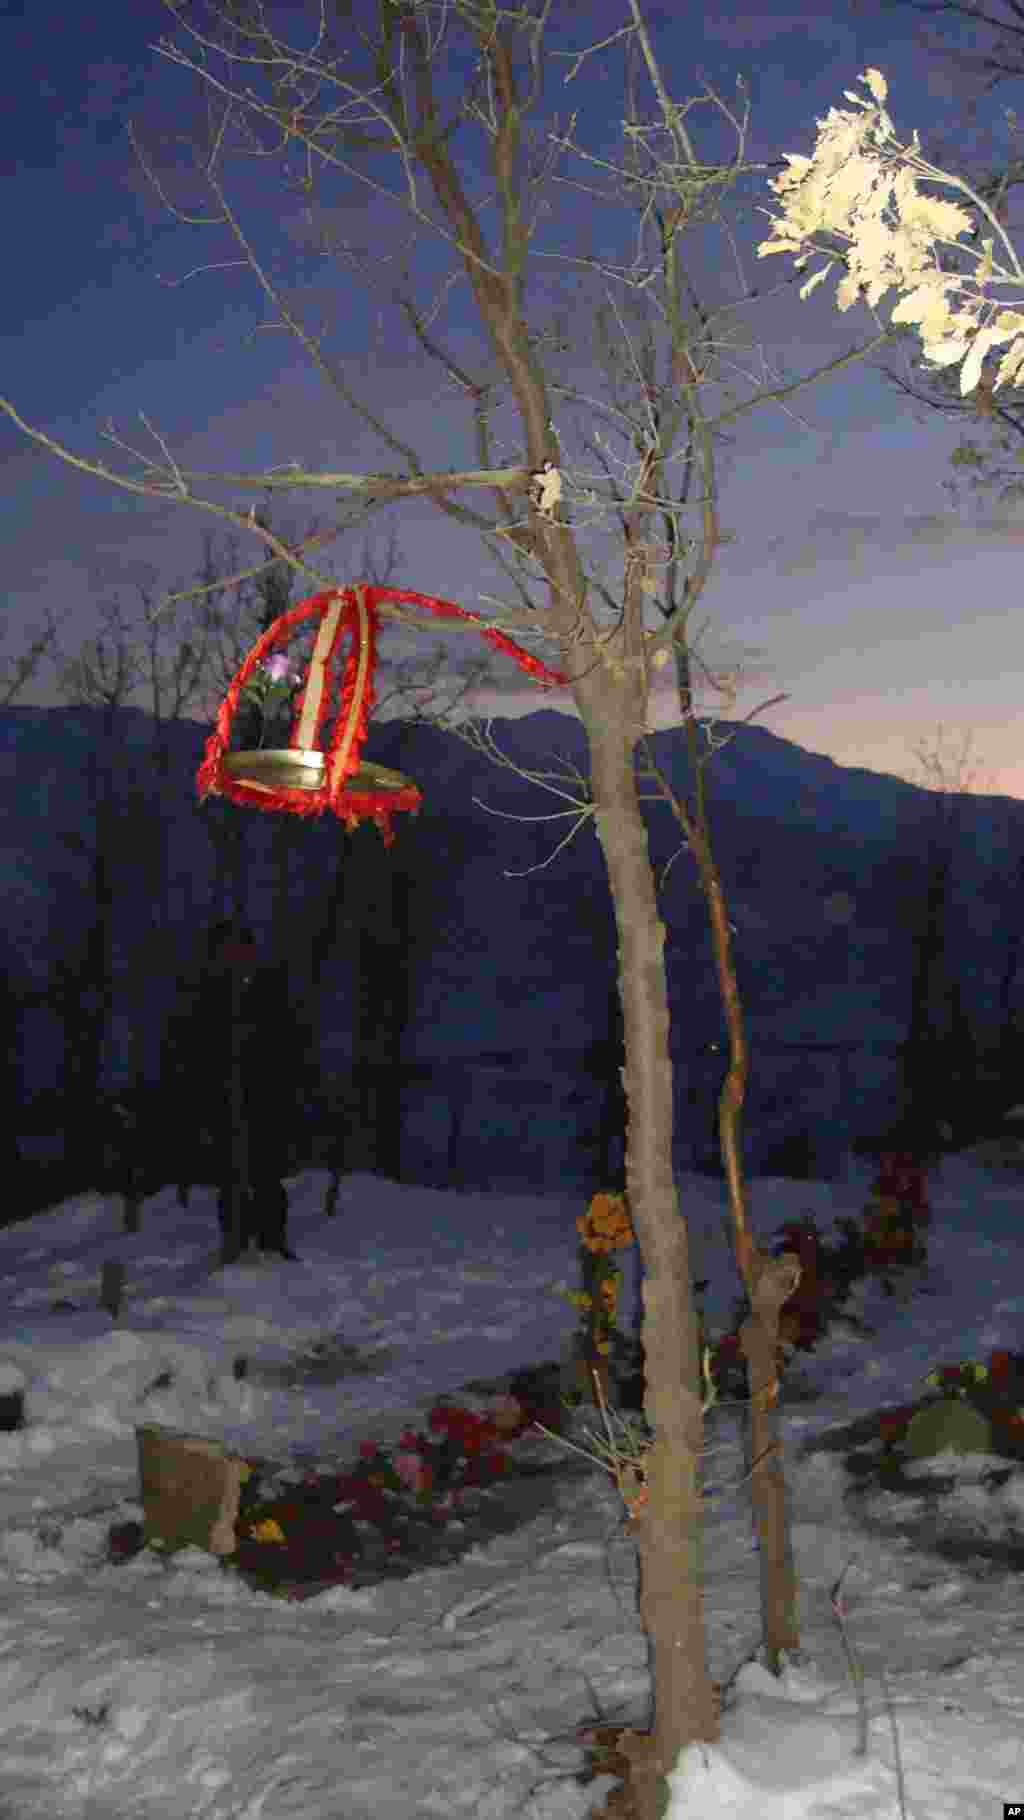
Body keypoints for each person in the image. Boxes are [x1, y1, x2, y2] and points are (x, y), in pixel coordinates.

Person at [164, 919, 300, 1260]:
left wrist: (288, 1089)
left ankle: (273, 1241)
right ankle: (234, 1241)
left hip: (266, 1097)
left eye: (240, 948)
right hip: (224, 1099)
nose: (234, 955)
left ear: (251, 952)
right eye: (226, 949)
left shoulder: (271, 992)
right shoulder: (206, 997)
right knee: (230, 1173)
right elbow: (191, 1051)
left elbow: (291, 1046)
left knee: (267, 1172)